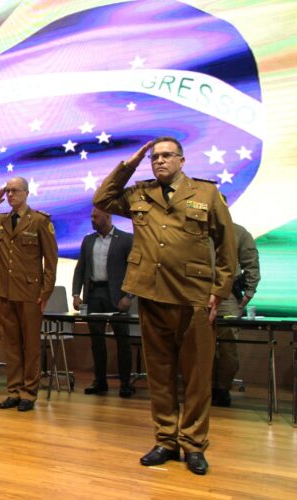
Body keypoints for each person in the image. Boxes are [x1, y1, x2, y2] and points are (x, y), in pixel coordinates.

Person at [93, 137, 236, 475]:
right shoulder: (139, 193)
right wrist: (130, 163)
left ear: (182, 160)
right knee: (159, 374)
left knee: (198, 376)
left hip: (193, 296)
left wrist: (220, 289)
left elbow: (226, 244)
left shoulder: (206, 194)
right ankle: (166, 440)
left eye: (166, 155)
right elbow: (101, 198)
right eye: (154, 157)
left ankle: (194, 444)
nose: (159, 161)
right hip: (152, 294)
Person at [0, 177, 58, 412]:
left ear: (27, 193)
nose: (10, 195)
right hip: (4, 292)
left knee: (30, 345)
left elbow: (51, 260)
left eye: (14, 191)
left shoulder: (39, 220)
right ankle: (14, 391)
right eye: (7, 191)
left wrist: (46, 292)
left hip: (30, 293)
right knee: (11, 345)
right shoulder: (0, 220)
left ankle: (29, 392)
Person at [71, 207, 134, 397]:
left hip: (117, 296)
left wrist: (129, 295)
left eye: (95, 216)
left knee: (122, 340)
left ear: (108, 216)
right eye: (91, 216)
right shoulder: (88, 240)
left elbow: (134, 270)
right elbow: (80, 268)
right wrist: (75, 293)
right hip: (94, 294)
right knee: (96, 341)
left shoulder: (126, 239)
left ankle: (125, 383)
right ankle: (100, 381)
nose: (92, 219)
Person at [213, 220, 260, 407]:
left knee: (227, 346)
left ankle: (222, 388)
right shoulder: (194, 228)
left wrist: (249, 292)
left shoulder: (238, 232)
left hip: (226, 297)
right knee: (198, 345)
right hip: (197, 295)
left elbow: (251, 262)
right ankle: (205, 387)